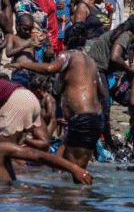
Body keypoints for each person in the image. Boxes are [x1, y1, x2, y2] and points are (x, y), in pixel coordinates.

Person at [9, 24, 103, 171]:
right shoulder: (91, 62)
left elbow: (49, 68)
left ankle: (75, 192)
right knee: (57, 167)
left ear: (65, 42)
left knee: (75, 171)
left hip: (82, 120)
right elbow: (102, 92)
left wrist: (24, 64)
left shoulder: (68, 55)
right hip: (93, 119)